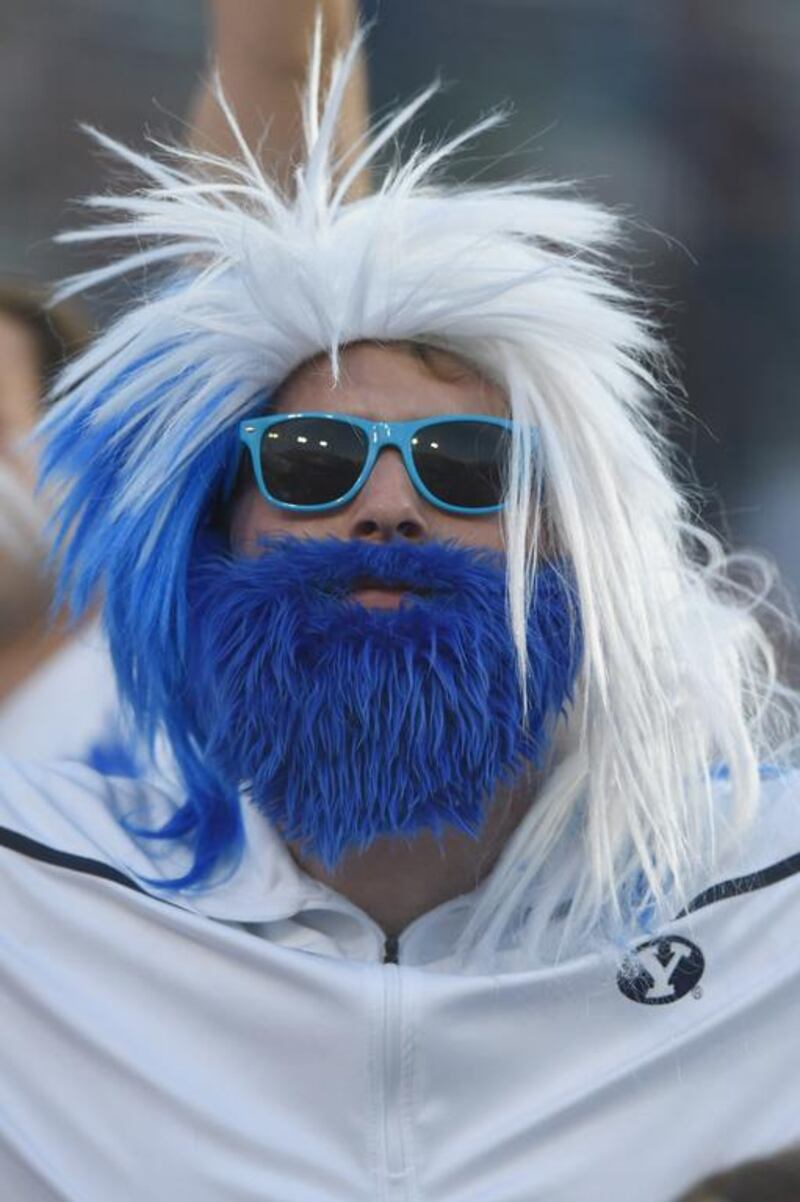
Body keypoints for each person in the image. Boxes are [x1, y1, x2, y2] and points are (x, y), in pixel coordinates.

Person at [0, 20, 799, 1202]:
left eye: (469, 465)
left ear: (570, 544)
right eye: (312, 458)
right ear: (213, 533)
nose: (385, 506)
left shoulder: (769, 905)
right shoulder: (35, 899)